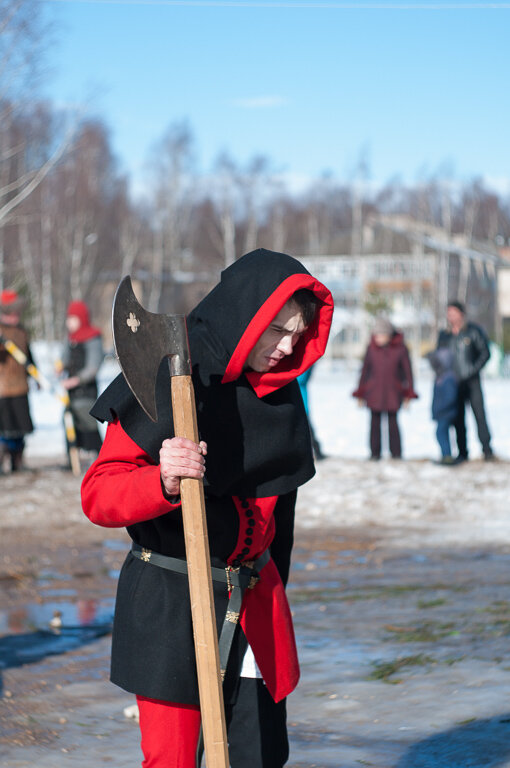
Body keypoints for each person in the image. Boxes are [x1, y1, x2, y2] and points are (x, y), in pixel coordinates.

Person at [81, 249, 334, 768]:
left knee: (257, 758)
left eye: (298, 335)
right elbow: (99, 493)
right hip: (174, 606)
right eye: (277, 330)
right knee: (174, 760)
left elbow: (278, 524)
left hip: (255, 607)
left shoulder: (281, 397)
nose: (287, 348)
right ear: (246, 315)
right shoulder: (172, 377)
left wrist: (273, 595)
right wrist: (163, 478)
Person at [352, 316, 418, 460]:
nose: (378, 338)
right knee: (374, 424)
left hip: (394, 392)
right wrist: (360, 392)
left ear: (389, 335)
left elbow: (408, 372)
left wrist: (409, 393)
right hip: (374, 392)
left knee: (393, 424)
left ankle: (396, 454)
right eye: (376, 334)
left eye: (381, 334)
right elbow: (365, 371)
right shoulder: (371, 349)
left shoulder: (400, 349)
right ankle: (375, 454)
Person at [436, 300, 493, 462]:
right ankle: (462, 452)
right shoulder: (444, 335)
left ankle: (487, 450)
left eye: (454, 312)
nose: (451, 316)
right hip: (453, 384)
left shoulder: (473, 331)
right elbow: (439, 357)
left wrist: (472, 370)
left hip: (472, 382)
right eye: (448, 313)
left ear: (461, 314)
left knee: (479, 416)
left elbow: (485, 353)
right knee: (458, 419)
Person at [57, 300, 104, 462]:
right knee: (70, 421)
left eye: (72, 318)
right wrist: (60, 367)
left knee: (87, 422)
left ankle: (97, 457)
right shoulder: (70, 338)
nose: (68, 322)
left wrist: (76, 380)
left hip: (86, 391)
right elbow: (65, 358)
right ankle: (74, 459)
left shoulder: (93, 338)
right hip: (71, 392)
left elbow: (93, 367)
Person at [0, 289, 35, 472]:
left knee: (20, 427)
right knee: (4, 428)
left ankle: (18, 461)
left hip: (21, 386)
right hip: (3, 388)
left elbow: (29, 356)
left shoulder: (22, 331)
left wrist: (35, 374)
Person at [426, 347, 458, 465]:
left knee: (441, 433)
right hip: (441, 413)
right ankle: (446, 455)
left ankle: (447, 456)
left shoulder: (448, 378)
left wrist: (440, 408)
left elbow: (450, 397)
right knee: (441, 434)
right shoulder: (440, 376)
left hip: (445, 413)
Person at [297, 364, 326, 460]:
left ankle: (317, 452)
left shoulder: (304, 366)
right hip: (299, 402)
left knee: (307, 430)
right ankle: (317, 452)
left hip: (301, 402)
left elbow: (300, 379)